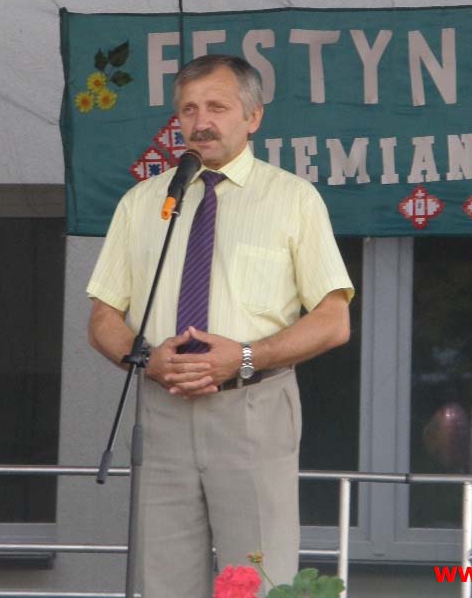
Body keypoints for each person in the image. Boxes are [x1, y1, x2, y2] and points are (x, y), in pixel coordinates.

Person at [86, 54, 353, 598]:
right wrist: (146, 359)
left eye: (216, 107)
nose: (200, 121)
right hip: (162, 410)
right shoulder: (144, 202)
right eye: (188, 109)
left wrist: (246, 356)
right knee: (163, 582)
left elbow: (332, 321)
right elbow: (103, 319)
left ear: (253, 117)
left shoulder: (293, 199)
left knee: (258, 578)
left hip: (253, 405)